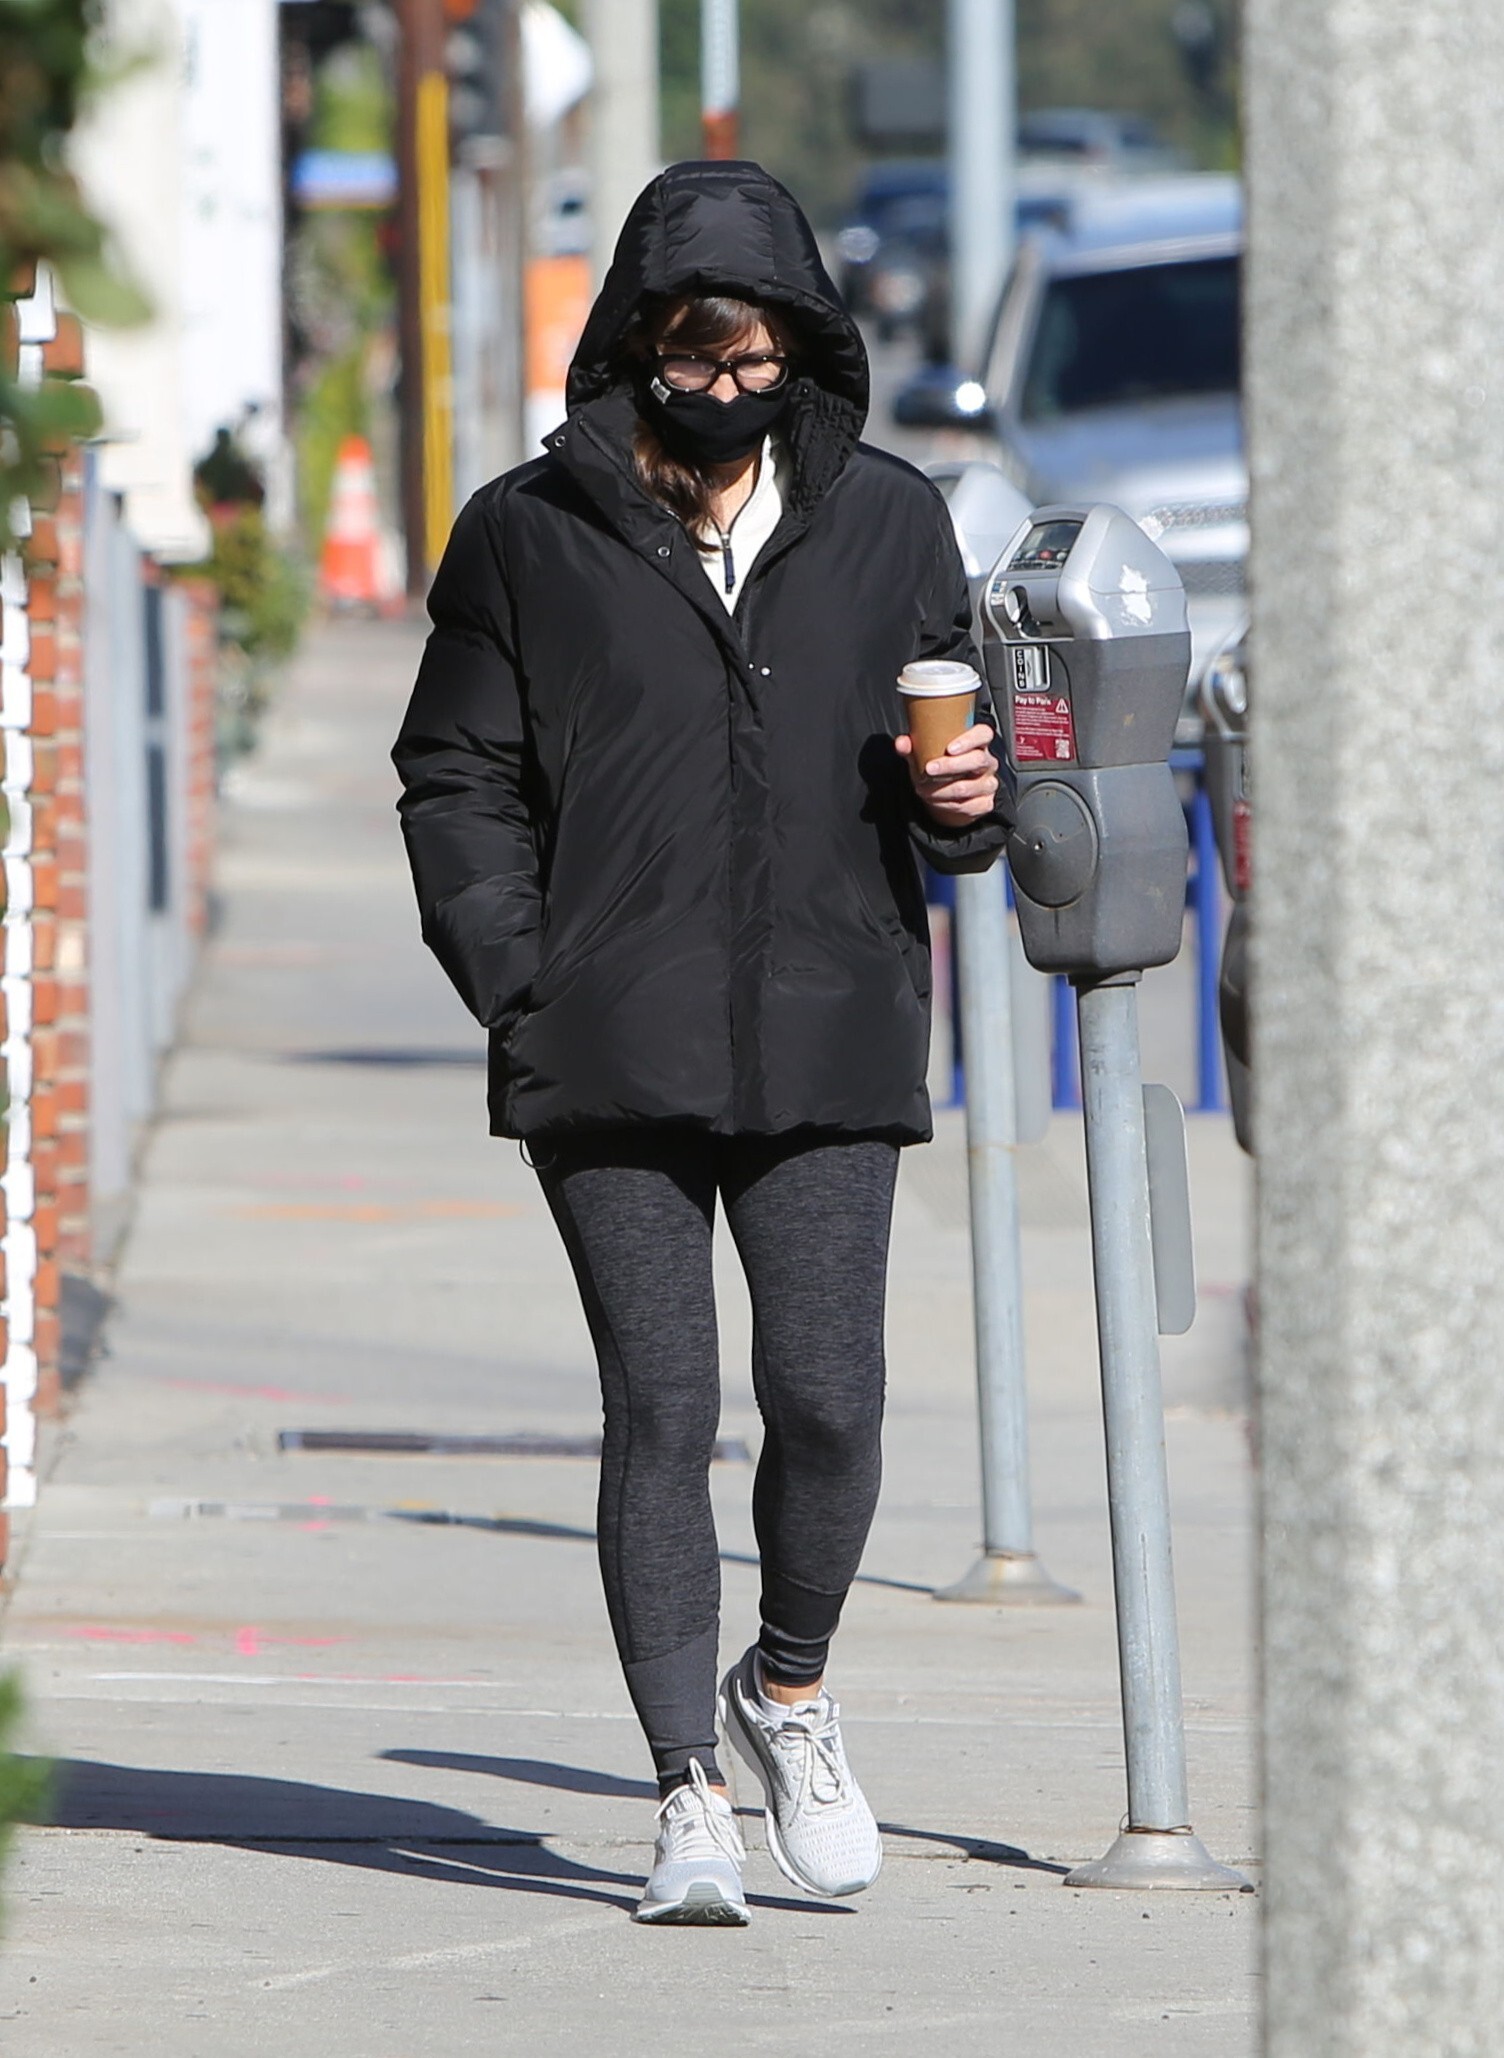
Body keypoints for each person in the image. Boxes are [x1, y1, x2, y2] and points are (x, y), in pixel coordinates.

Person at [393, 160, 1008, 1927]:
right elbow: (456, 774)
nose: (724, 389)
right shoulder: (528, 530)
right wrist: (522, 981)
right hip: (609, 1041)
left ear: (803, 349)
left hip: (829, 1026)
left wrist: (967, 802)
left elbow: (958, 762)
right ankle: (684, 1790)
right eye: (691, 354)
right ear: (635, 344)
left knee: (829, 1400)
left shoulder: (890, 521)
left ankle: (786, 1688)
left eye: (755, 360)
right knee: (660, 1406)